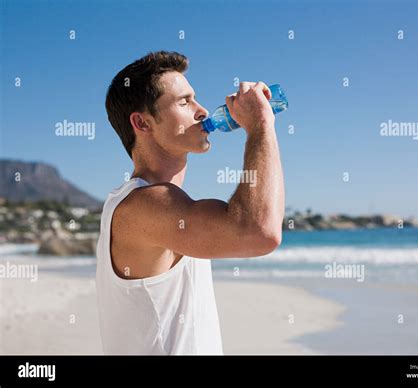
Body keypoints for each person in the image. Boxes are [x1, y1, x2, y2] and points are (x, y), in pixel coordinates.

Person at [96, 50, 285, 355]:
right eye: (184, 102)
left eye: (195, 99)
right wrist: (261, 124)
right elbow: (260, 231)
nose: (202, 111)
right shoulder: (143, 206)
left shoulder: (162, 206)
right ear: (142, 123)